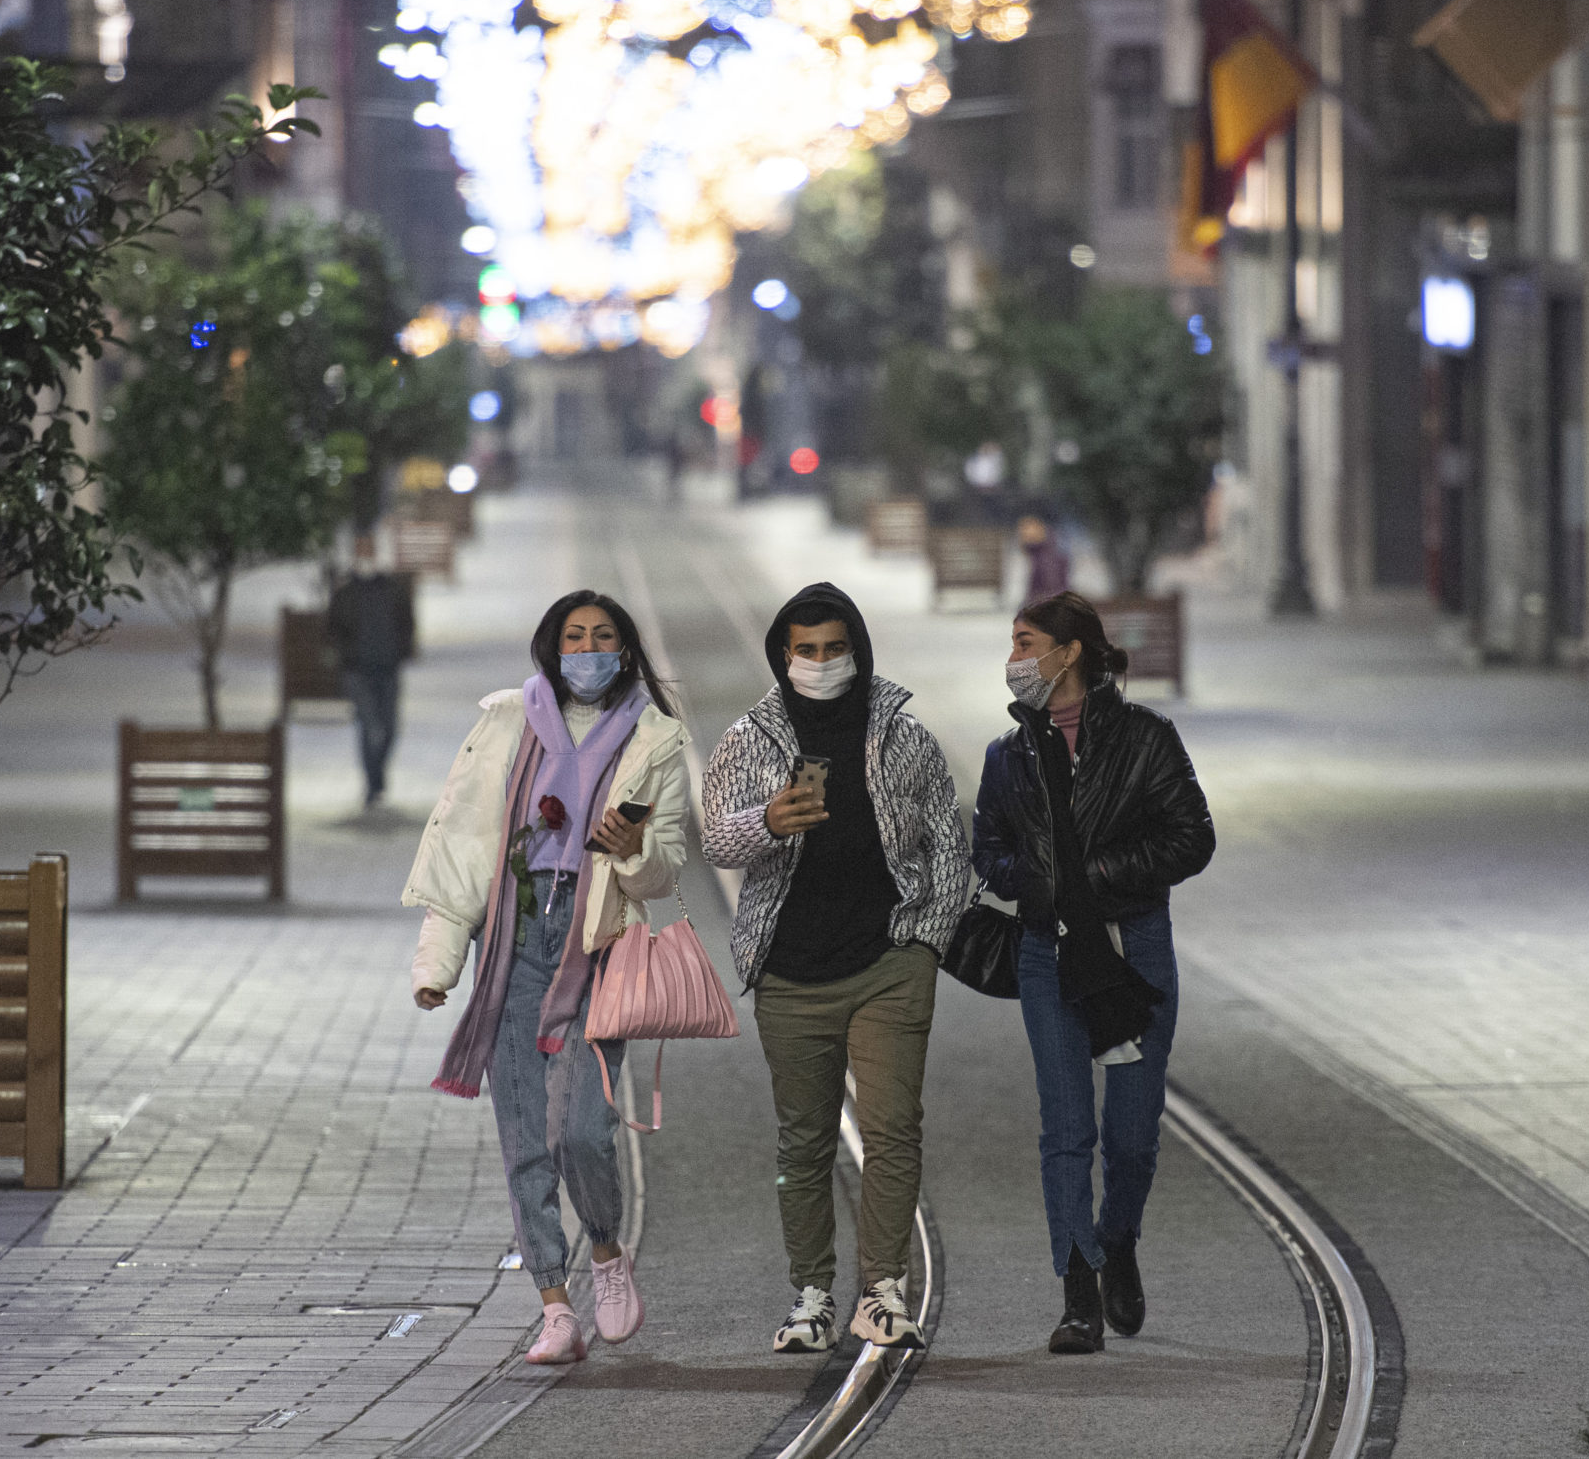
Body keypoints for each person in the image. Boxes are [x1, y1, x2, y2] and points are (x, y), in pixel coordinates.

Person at [404, 591, 691, 1365]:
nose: (588, 650)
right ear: (551, 647)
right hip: (514, 942)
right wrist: (438, 964)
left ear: (626, 651)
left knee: (583, 1132)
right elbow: (463, 846)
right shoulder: (505, 720)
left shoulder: (655, 739)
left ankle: (605, 1249)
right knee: (526, 1137)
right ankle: (554, 1305)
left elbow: (663, 871)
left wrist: (629, 846)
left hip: (597, 947)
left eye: (603, 637)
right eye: (574, 636)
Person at [702, 582, 970, 1355]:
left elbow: (946, 840)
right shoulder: (751, 738)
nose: (820, 663)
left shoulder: (901, 736)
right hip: (789, 970)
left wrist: (928, 936)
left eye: (833, 648)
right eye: (805, 651)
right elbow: (715, 840)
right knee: (804, 1140)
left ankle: (882, 1290)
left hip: (889, 960)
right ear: (783, 656)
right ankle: (811, 1293)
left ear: (856, 649)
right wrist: (766, 821)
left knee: (891, 1131)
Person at [971, 591, 1214, 1354]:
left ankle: (1119, 1241)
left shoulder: (1146, 739)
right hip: (1047, 953)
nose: (1015, 659)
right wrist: (1033, 884)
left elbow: (1191, 839)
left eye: (1025, 642)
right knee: (1066, 1127)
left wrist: (1099, 874)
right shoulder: (1006, 755)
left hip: (1133, 947)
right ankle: (1079, 1291)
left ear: (1069, 651)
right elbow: (988, 850)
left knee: (1133, 1135)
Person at [328, 533, 416, 807]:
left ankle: (376, 778)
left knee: (389, 728)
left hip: (387, 668)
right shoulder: (345, 592)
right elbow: (333, 629)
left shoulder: (392, 588)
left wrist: (401, 651)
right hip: (358, 670)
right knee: (369, 725)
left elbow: (406, 622)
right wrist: (345, 656)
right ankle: (372, 784)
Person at [1018, 514, 1070, 605]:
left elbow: (1052, 588)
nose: (1022, 536)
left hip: (1047, 607)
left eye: (1026, 531)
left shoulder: (1046, 556)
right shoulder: (1037, 554)